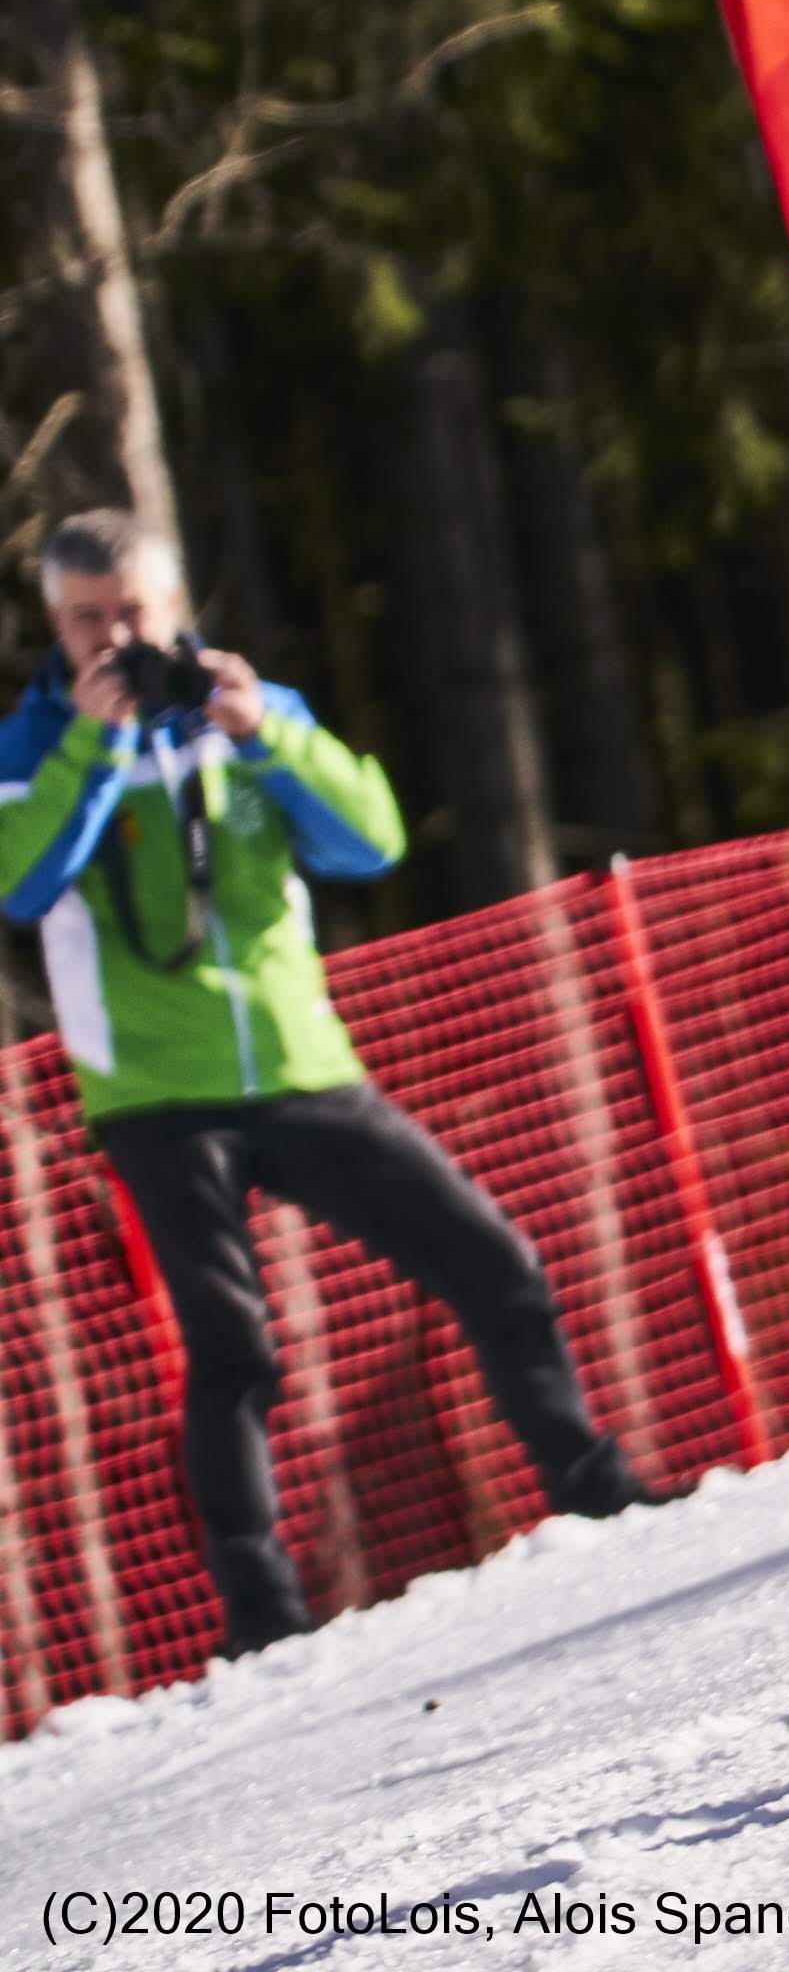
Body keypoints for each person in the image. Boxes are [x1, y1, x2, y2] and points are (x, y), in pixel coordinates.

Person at [0, 510, 659, 1658]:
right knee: (232, 1347)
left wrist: (264, 733)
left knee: (492, 1258)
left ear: (176, 605)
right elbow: (19, 883)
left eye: (133, 610)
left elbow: (370, 839)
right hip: (152, 1093)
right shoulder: (34, 745)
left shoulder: (248, 709)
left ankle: (595, 1487)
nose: (115, 636)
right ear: (56, 623)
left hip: (300, 1067)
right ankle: (262, 1619)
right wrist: (94, 750)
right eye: (87, 618)